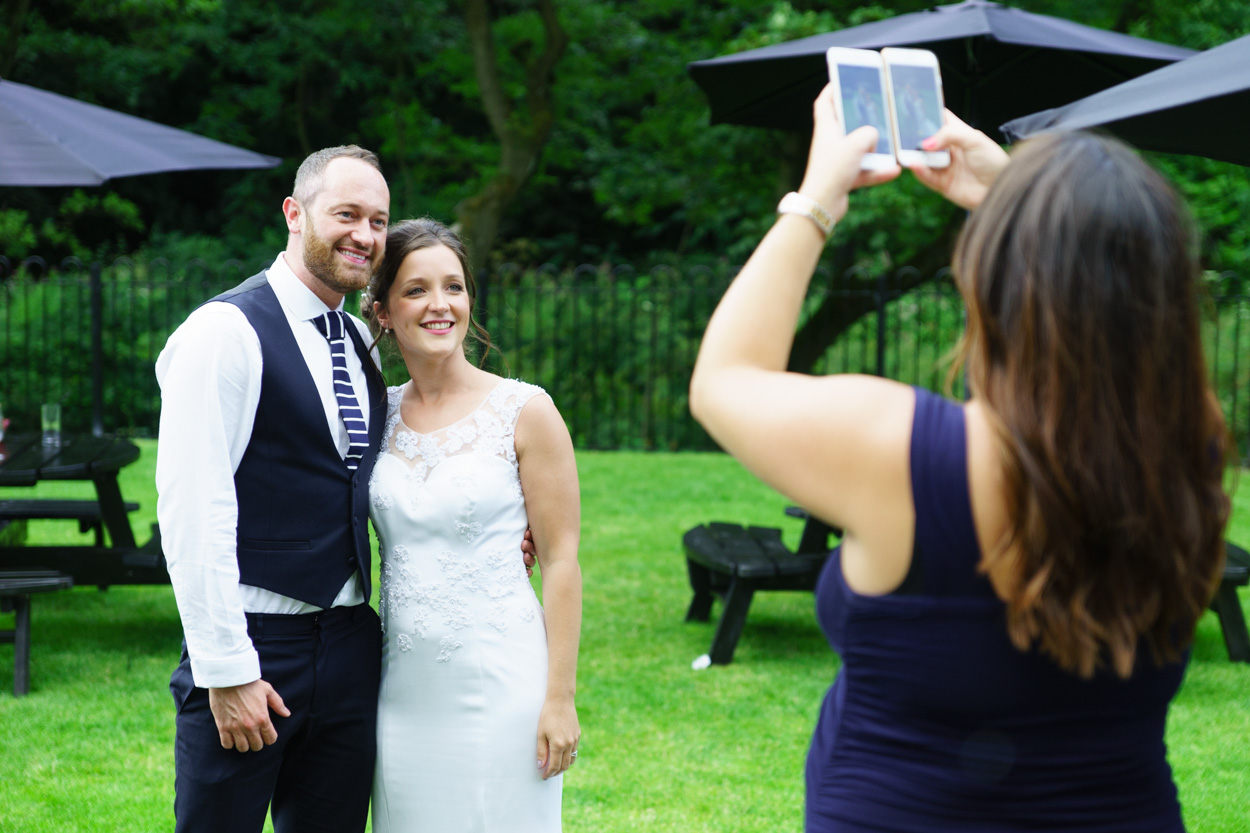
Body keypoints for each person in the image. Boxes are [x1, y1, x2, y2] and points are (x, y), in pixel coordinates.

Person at [689, 86, 1229, 832]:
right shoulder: (1190, 454)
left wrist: (816, 201)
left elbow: (724, 380)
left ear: (989, 276)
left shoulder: (900, 449)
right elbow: (1101, 309)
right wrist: (1020, 201)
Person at [157, 147, 534, 832]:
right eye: (346, 214)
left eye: (378, 220)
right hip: (256, 644)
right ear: (294, 214)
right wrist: (226, 666)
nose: (364, 234)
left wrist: (495, 529)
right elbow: (193, 509)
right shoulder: (224, 333)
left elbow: (375, 473)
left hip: (354, 644)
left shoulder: (360, 340)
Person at [362, 218, 582, 833]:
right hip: (402, 691)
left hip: (504, 681)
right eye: (416, 289)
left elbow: (561, 559)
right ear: (383, 312)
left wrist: (559, 698)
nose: (440, 304)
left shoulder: (525, 410)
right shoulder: (375, 415)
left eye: (453, 287)